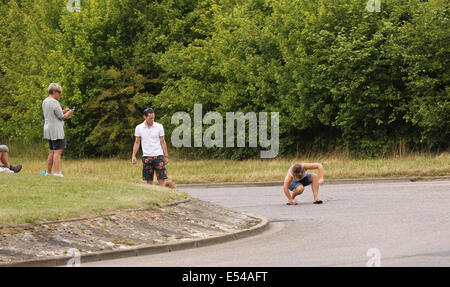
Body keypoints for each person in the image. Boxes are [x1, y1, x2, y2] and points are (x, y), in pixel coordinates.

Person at [42, 83, 74, 177]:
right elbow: (62, 117)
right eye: (59, 92)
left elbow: (55, 113)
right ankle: (57, 172)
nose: (60, 94)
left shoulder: (45, 101)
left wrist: (65, 110)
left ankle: (48, 172)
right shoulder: (54, 102)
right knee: (58, 152)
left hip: (48, 128)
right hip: (56, 130)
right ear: (54, 91)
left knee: (52, 151)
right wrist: (70, 113)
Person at [132, 108, 169, 186]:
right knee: (149, 181)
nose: (152, 120)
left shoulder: (159, 126)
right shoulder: (139, 128)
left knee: (161, 179)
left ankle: (164, 195)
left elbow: (163, 141)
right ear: (145, 117)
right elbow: (137, 142)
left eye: (153, 118)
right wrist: (133, 155)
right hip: (146, 157)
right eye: (150, 118)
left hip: (158, 156)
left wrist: (166, 156)